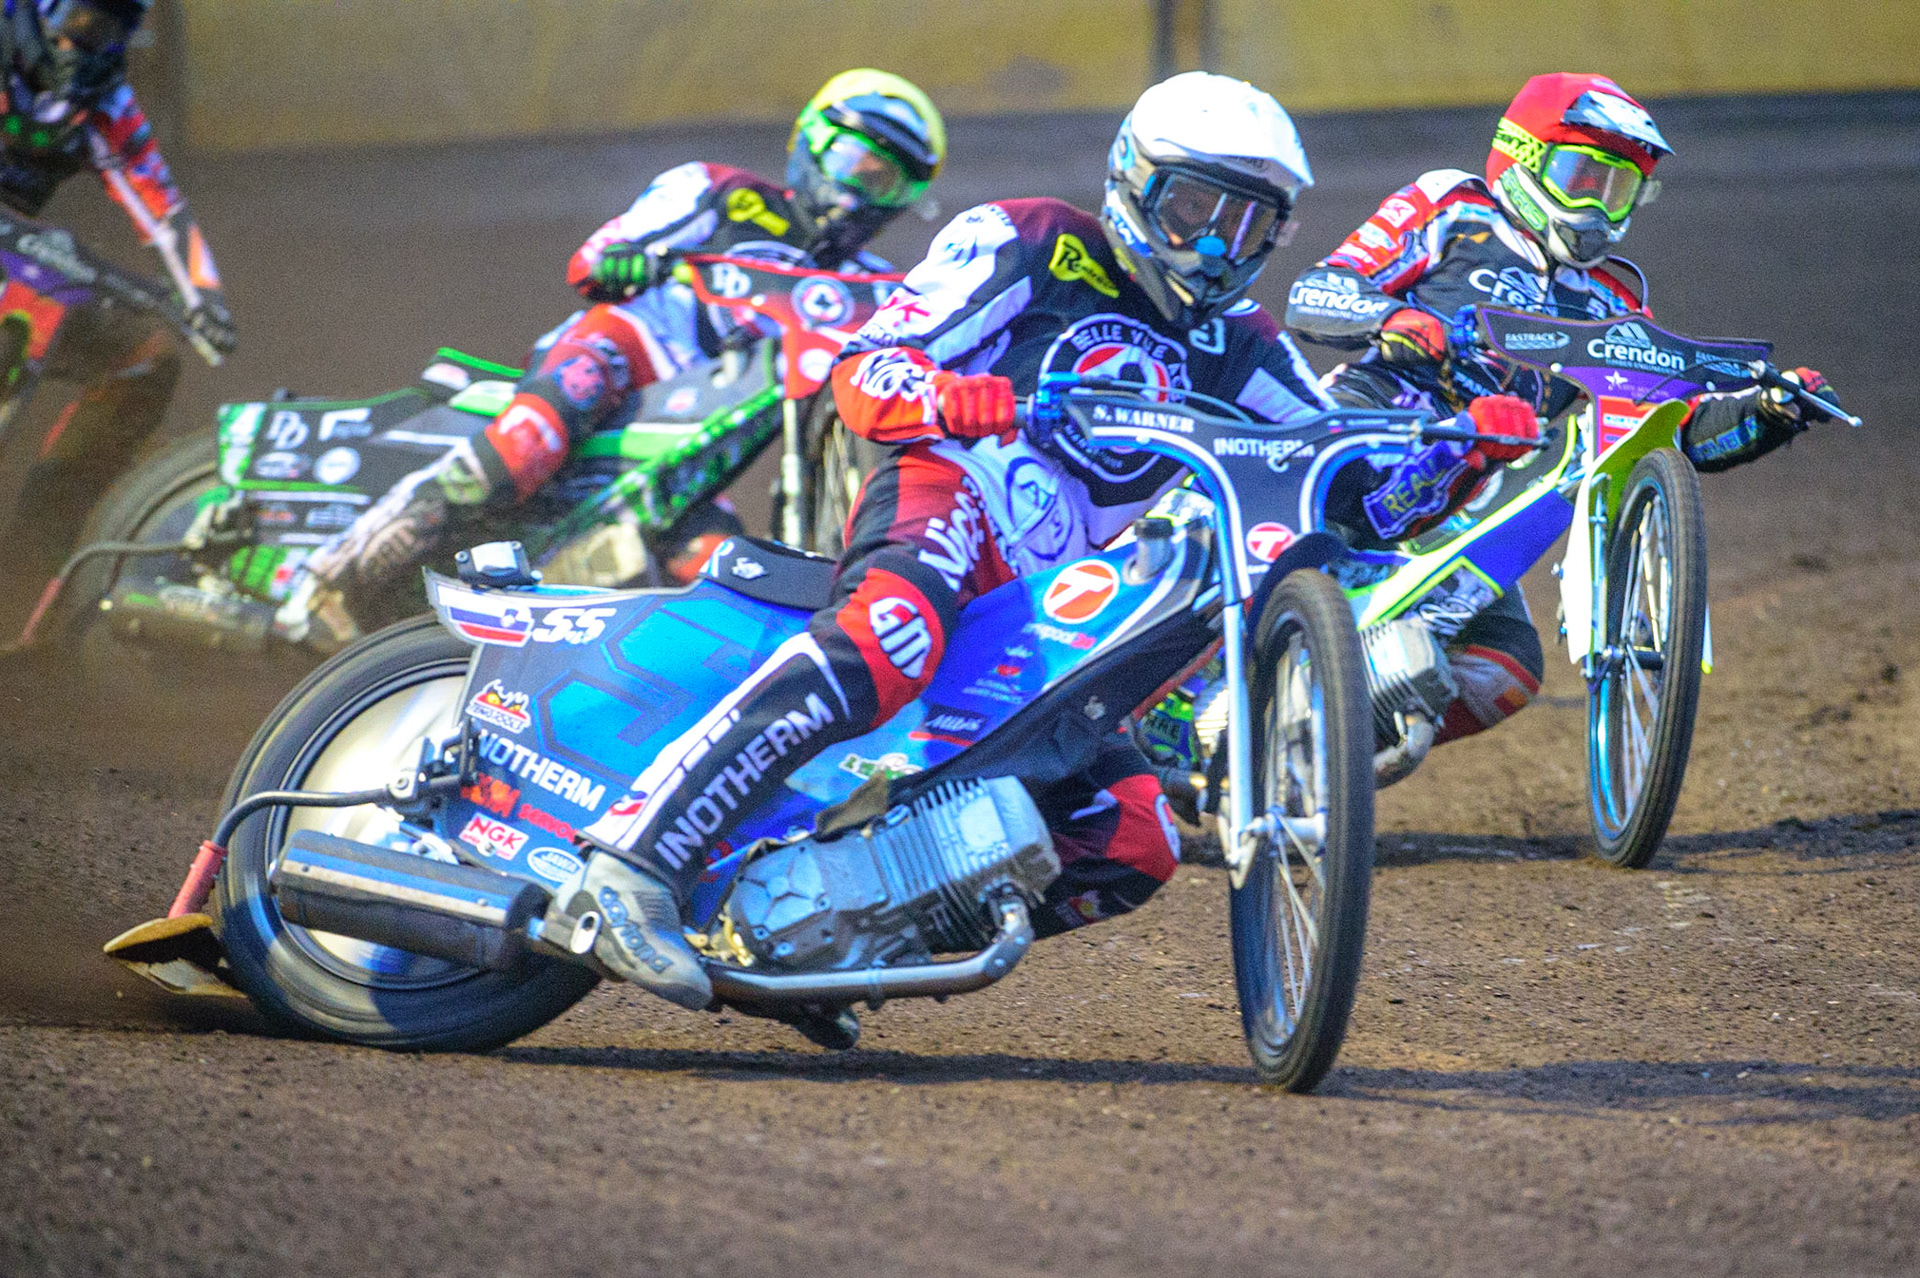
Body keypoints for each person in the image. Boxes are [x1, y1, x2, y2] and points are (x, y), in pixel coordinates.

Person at [569, 71, 1540, 1011]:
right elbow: (864, 373)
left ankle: (826, 941)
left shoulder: (1244, 345)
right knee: (887, 637)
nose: (1215, 243)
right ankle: (632, 858)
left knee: (1136, 837)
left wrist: (1469, 455)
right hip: (955, 495)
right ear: (1132, 179)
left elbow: (1353, 500)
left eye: (1249, 223)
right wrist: (946, 395)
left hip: (1055, 604)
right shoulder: (1028, 238)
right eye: (1195, 206)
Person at [280, 68, 947, 646]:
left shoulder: (875, 284)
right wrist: (631, 258)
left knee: (723, 569)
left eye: (889, 182)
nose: (864, 190)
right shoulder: (720, 192)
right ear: (812, 142)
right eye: (858, 163)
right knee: (525, 447)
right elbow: (594, 259)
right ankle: (325, 577)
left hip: (698, 448)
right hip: (626, 354)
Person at [1284, 72, 1844, 747]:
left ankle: (1322, 762)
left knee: (1506, 671)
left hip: (1482, 492)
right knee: (1306, 541)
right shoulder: (1453, 206)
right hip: (1378, 424)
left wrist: (1769, 411)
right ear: (1522, 156)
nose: (1597, 208)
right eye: (1582, 178)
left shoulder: (1613, 296)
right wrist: (1395, 317)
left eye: (1618, 190)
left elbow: (1668, 426)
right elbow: (1318, 291)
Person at [0, 0, 234, 528]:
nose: (86, 42)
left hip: (17, 256)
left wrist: (204, 302)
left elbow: (161, 206)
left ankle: (45, 536)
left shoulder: (103, 99)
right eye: (79, 20)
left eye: (107, 29)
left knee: (146, 356)